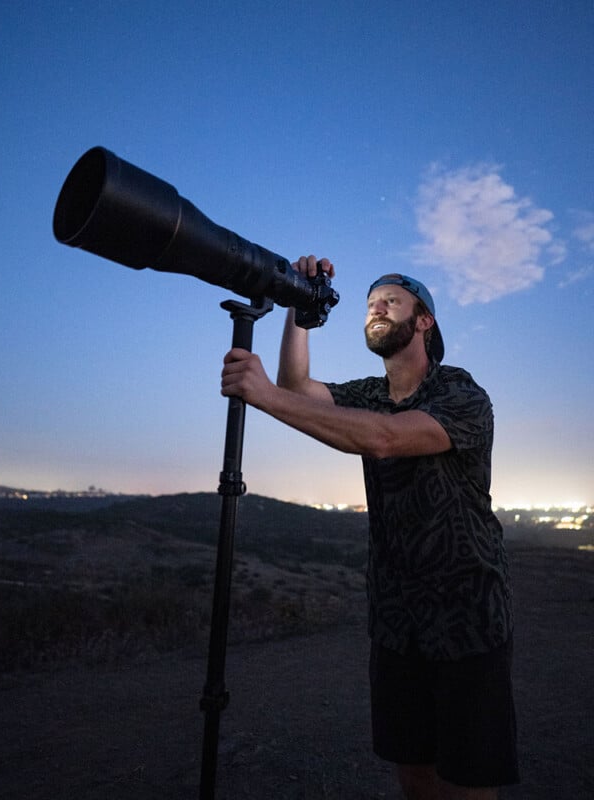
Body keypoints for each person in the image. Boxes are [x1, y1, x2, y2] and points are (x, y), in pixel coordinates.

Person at [221, 255, 519, 799]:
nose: (375, 309)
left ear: (424, 320)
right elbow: (295, 385)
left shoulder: (462, 395)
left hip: (466, 614)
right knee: (413, 770)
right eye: (368, 305)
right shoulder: (371, 393)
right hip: (395, 615)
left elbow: (385, 438)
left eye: (390, 301)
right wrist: (299, 306)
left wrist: (263, 398)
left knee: (467, 780)